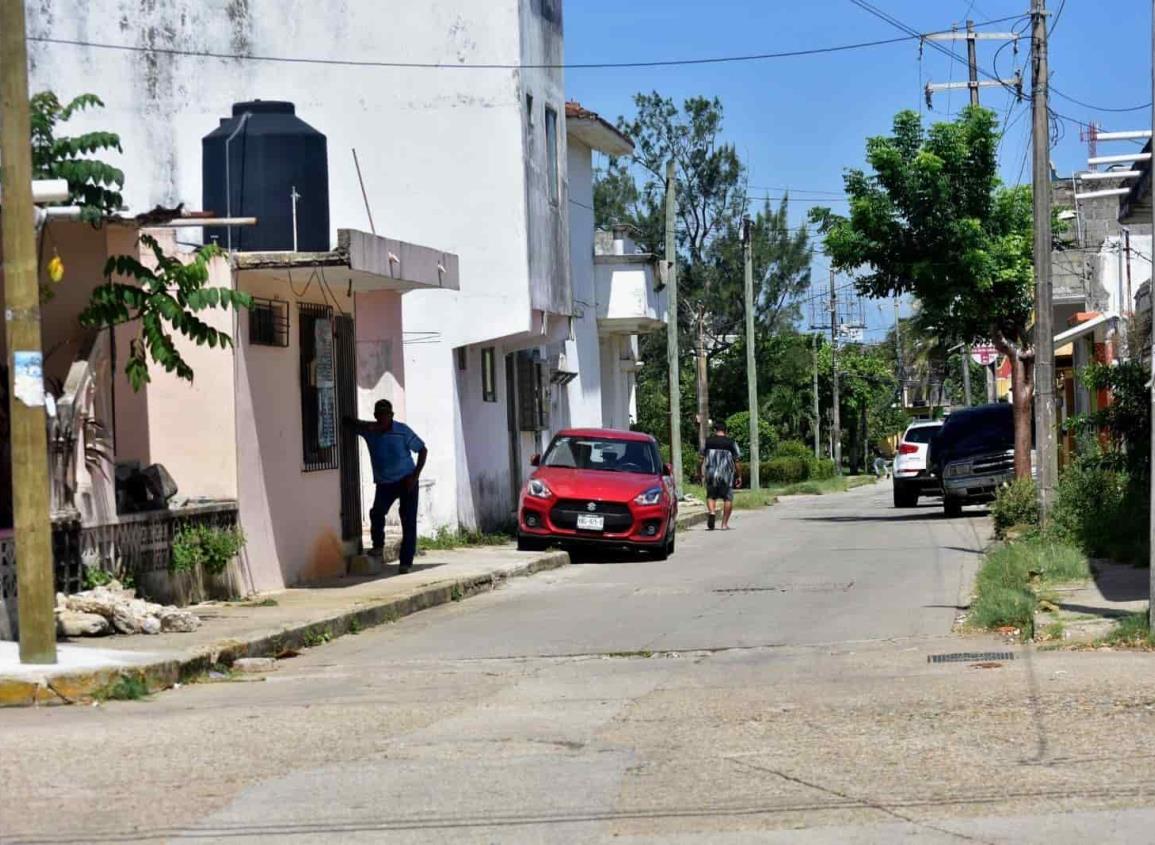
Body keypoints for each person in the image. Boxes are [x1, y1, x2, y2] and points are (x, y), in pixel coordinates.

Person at [343, 399, 427, 574]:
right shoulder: (371, 432)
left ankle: (405, 562)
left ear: (391, 416)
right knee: (377, 512)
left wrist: (415, 475)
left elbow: (422, 449)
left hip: (407, 480)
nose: (383, 419)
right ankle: (378, 545)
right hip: (384, 483)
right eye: (379, 415)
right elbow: (354, 424)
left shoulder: (402, 431)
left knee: (408, 521)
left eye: (386, 415)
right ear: (375, 416)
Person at [700, 421, 740, 531]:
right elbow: (737, 461)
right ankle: (724, 524)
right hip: (726, 475)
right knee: (728, 498)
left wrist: (699, 472)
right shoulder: (731, 442)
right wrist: (739, 476)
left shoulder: (707, 442)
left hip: (711, 473)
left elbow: (700, 459)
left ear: (715, 430)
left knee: (711, 496)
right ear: (726, 431)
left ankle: (712, 512)